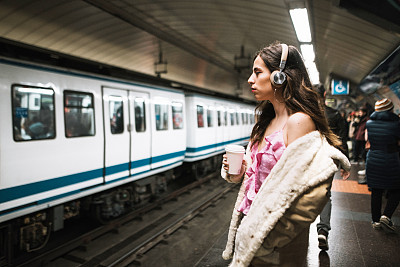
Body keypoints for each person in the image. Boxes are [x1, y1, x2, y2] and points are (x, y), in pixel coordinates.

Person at [220, 41, 350, 266]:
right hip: (251, 230)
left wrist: (271, 238)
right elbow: (257, 179)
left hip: (275, 244)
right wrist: (240, 171)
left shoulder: (298, 122)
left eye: (258, 72)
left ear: (279, 77)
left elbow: (302, 194)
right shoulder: (266, 122)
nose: (250, 79)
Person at [315, 84, 350, 251]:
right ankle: (323, 229)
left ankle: (298, 229)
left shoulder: (305, 115)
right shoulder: (335, 115)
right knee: (325, 194)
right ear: (324, 94)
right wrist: (344, 164)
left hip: (309, 160)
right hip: (330, 160)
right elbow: (342, 141)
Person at [366, 98, 400, 232]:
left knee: (376, 190)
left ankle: (376, 221)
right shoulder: (396, 124)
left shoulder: (369, 123)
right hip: (390, 158)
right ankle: (386, 215)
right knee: (397, 189)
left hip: (373, 158)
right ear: (389, 110)